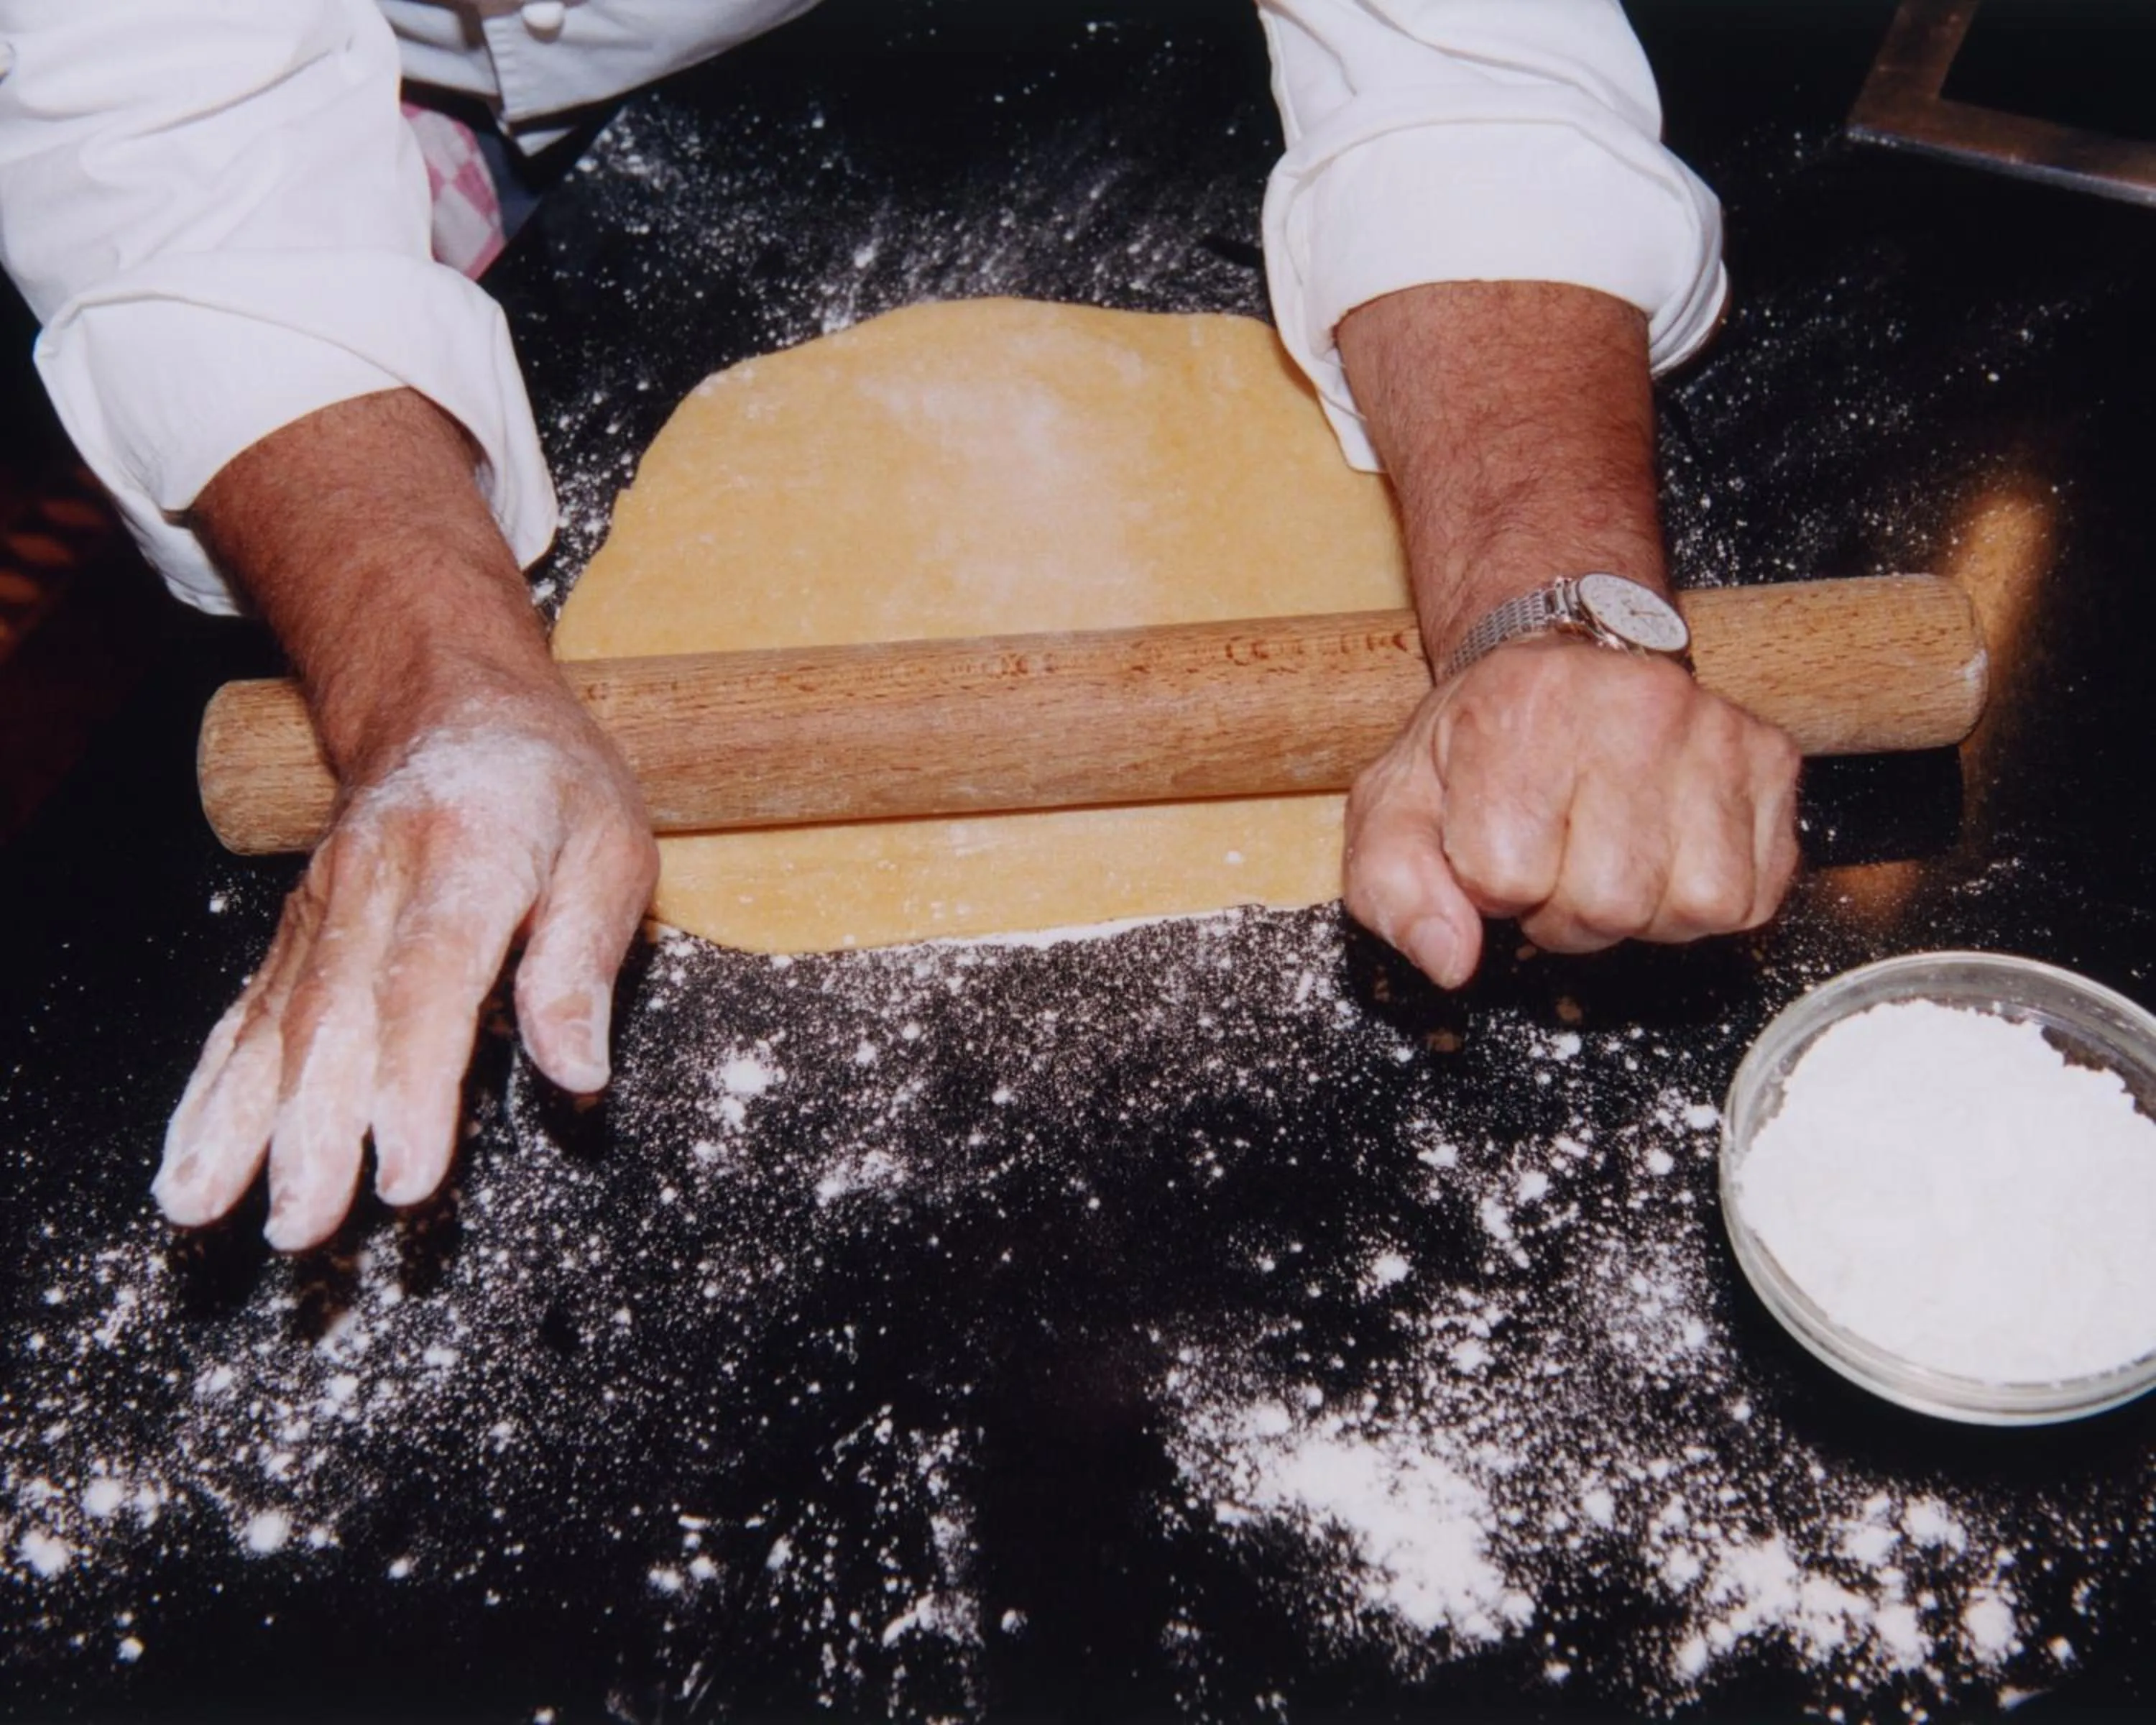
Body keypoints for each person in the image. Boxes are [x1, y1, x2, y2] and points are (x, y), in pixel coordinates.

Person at [0, 0, 1799, 1250]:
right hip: (479, 92)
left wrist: (1551, 606)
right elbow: (174, 147)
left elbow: (1461, 50)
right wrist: (438, 688)